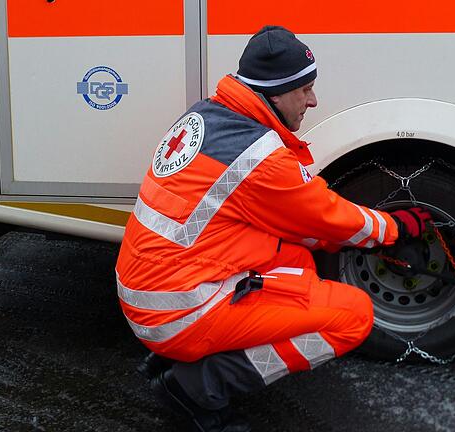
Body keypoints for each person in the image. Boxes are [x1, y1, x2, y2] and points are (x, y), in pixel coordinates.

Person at [115, 26, 431, 432]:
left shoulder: (207, 115)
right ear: (276, 94)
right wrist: (396, 229)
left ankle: (182, 354)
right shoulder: (260, 159)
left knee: (298, 259)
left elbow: (292, 221)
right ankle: (197, 386)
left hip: (149, 288)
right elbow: (327, 214)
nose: (313, 100)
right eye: (305, 90)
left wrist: (333, 237)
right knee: (353, 316)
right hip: (175, 310)